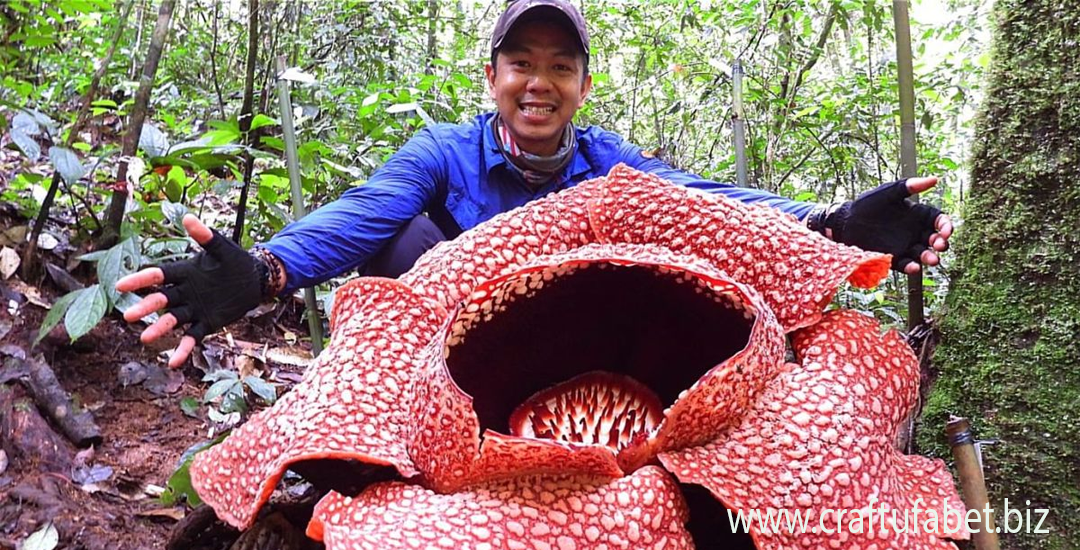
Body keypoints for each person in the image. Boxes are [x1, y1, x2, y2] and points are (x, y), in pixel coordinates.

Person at [117, 0, 952, 368]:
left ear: (582, 86)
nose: (538, 83)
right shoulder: (442, 150)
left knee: (665, 242)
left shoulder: (610, 166)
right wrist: (268, 270)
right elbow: (360, 215)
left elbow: (707, 198)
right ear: (493, 77)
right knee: (402, 233)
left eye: (560, 66)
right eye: (523, 63)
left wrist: (827, 224)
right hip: (439, 352)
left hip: (561, 355)